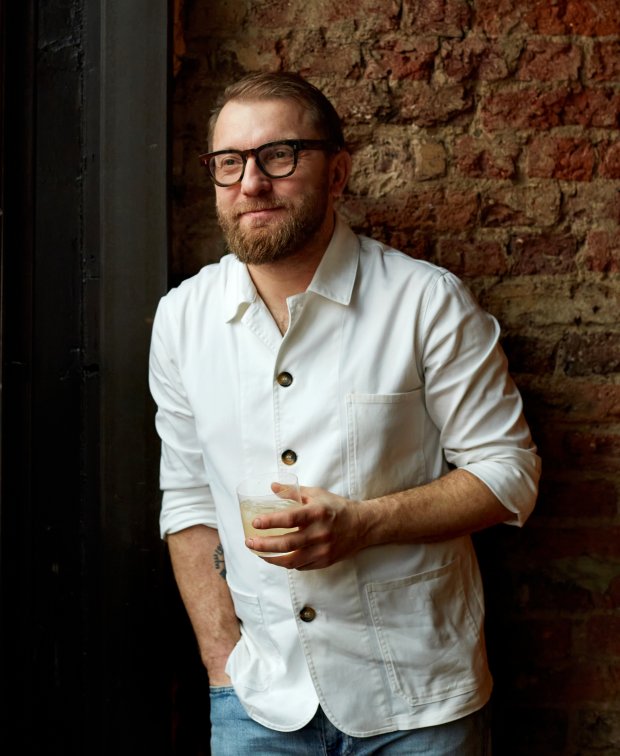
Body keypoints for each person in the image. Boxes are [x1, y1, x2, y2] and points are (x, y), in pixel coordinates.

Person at [149, 71, 541, 755]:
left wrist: (365, 524)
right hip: (256, 704)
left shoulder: (426, 302)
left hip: (419, 701)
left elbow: (510, 473)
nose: (251, 183)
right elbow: (187, 501)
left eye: (279, 156)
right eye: (229, 162)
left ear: (337, 173)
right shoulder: (182, 318)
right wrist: (222, 666)